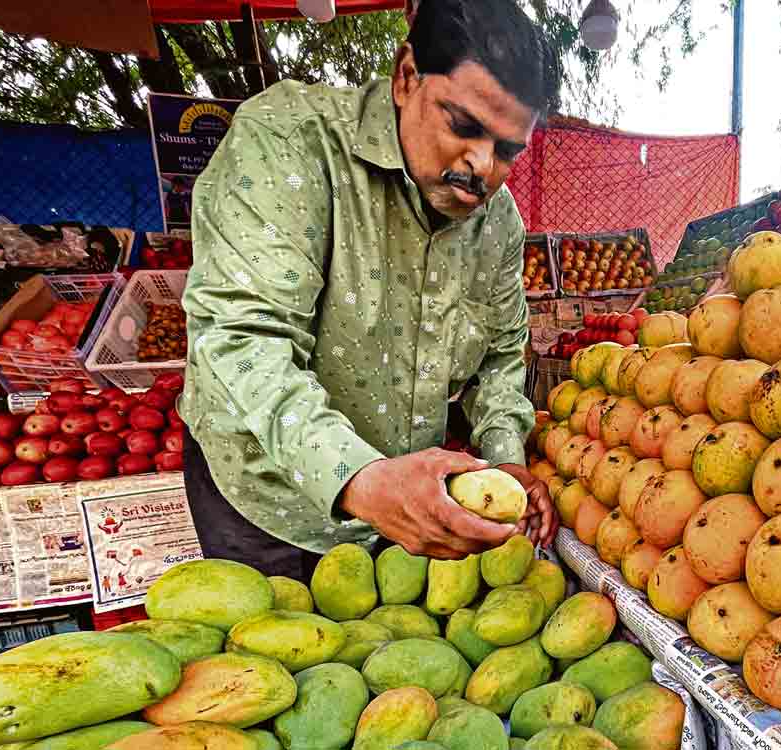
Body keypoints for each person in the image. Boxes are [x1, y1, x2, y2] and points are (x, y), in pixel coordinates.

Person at [179, 0, 559, 578]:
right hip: (271, 503)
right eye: (463, 125)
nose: (482, 167)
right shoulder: (289, 143)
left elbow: (502, 357)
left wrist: (506, 462)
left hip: (409, 509)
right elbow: (243, 341)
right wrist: (362, 480)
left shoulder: (499, 223)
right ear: (406, 76)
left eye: (508, 150)